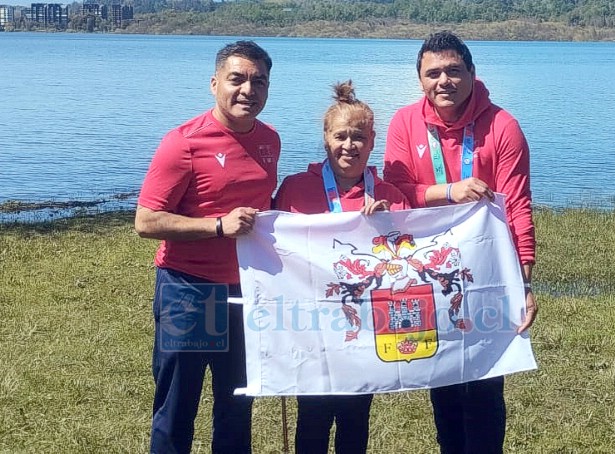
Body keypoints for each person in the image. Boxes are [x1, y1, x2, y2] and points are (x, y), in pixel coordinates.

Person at [382, 31, 538, 454]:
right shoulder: (404, 122)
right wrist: (449, 191)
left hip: (485, 272)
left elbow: (517, 205)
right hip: (428, 274)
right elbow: (395, 192)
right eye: (433, 73)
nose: (443, 81)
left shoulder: (502, 125)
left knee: (484, 389)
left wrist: (524, 283)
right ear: (419, 80)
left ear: (472, 73)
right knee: (444, 382)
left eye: (453, 71)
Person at [134, 41, 280, 454]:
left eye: (259, 81)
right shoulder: (183, 143)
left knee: (238, 404)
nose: (248, 90)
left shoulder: (270, 140)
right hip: (190, 290)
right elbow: (146, 221)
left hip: (246, 292)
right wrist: (218, 226)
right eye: (237, 79)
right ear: (215, 83)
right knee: (178, 406)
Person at [274, 80, 410, 454]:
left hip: (364, 329)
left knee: (354, 419)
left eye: (358, 137)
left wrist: (390, 228)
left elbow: (408, 261)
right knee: (313, 418)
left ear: (372, 141)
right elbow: (272, 248)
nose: (349, 146)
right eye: (341, 136)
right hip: (312, 326)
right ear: (325, 138)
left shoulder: (388, 196)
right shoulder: (295, 187)